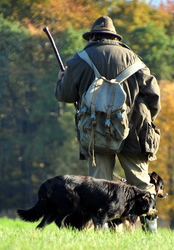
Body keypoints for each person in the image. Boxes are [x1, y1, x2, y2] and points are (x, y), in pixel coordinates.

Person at [54, 16, 161, 231]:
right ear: (114, 37)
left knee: (99, 185)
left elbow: (64, 95)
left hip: (96, 131)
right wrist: (148, 121)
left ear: (93, 37)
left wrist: (61, 78)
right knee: (141, 183)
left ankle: (102, 233)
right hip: (136, 129)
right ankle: (152, 232)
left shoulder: (79, 59)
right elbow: (154, 96)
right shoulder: (134, 59)